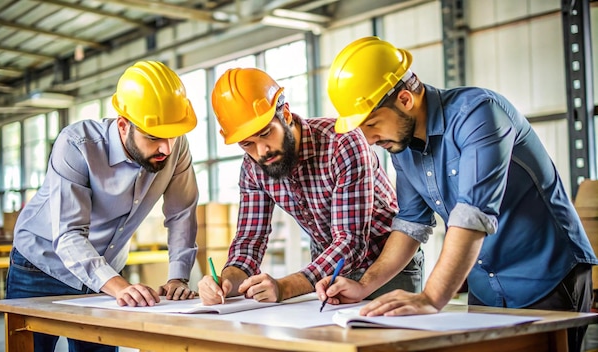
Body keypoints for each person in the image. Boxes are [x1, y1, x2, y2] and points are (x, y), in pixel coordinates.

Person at [317, 36, 598, 352]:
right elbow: (410, 223)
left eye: (372, 124)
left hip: (546, 274)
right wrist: (364, 285)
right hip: (486, 287)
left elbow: (473, 214)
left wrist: (431, 297)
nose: (369, 140)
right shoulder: (402, 148)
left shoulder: (479, 114)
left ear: (406, 99)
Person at [6, 61, 200, 352]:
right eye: (153, 137)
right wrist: (119, 287)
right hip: (40, 266)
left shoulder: (174, 146)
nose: (166, 149)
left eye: (172, 135)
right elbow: (69, 235)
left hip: (106, 269)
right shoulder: (77, 144)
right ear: (123, 125)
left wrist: (177, 277)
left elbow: (182, 213)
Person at [197, 67, 424, 305]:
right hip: (327, 274)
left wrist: (284, 287)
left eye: (265, 133)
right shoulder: (253, 167)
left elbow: (350, 242)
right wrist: (225, 283)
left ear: (285, 114)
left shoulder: (343, 143)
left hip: (386, 267)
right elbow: (248, 242)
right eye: (247, 144)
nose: (261, 151)